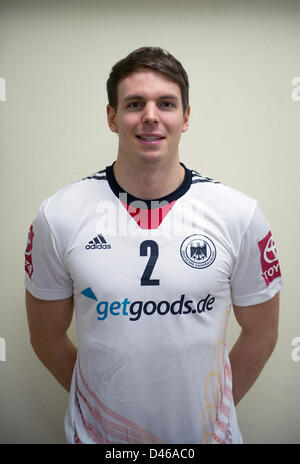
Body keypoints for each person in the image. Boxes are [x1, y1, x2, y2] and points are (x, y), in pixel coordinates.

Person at [25, 46, 282, 444]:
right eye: (134, 103)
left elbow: (262, 334)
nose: (150, 116)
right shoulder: (59, 215)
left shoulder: (238, 214)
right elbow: (45, 337)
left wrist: (215, 411)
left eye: (166, 103)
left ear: (186, 116)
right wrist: (100, 406)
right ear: (112, 117)